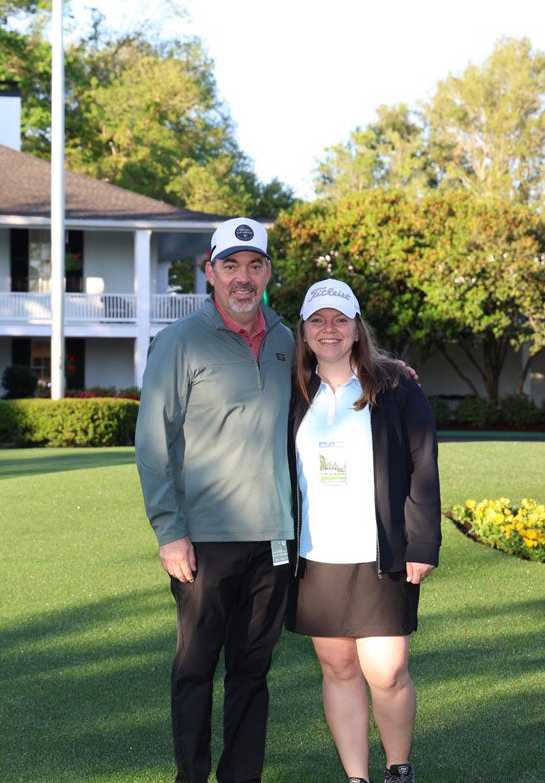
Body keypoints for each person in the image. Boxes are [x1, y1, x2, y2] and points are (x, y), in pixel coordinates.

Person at [135, 216, 295, 783]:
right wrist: (168, 530)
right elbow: (154, 442)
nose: (243, 278)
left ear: (268, 272)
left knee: (252, 673)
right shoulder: (179, 341)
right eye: (231, 266)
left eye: (254, 266)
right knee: (196, 668)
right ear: (210, 272)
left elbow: (337, 371)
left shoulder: (284, 337)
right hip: (202, 540)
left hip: (274, 537)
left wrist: (393, 372)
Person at [285, 279, 441, 783]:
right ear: (305, 332)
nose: (329, 330)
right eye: (317, 320)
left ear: (356, 329)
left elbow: (423, 467)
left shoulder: (396, 385)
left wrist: (422, 544)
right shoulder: (290, 391)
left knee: (388, 671)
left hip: (382, 552)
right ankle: (357, 777)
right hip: (317, 555)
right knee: (339, 669)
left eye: (340, 319)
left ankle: (399, 770)